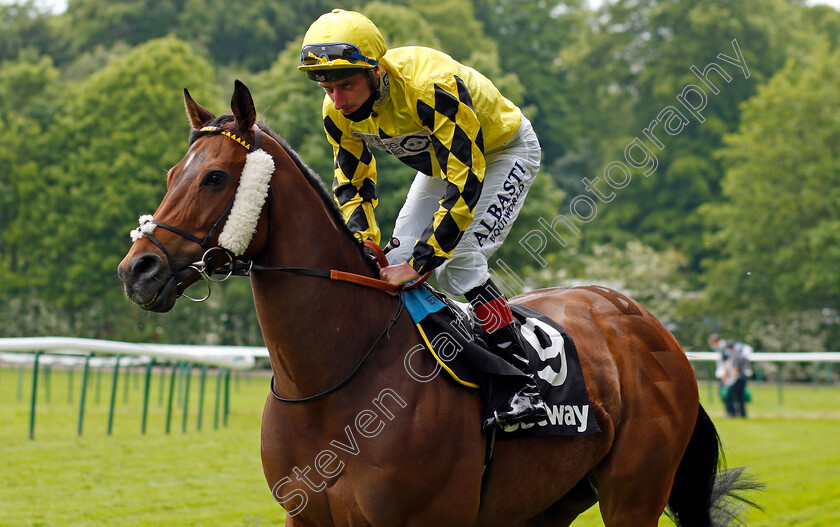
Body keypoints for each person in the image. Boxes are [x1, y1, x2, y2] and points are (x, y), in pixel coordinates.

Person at [299, 9, 547, 430]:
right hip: (442, 164)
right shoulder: (335, 112)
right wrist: (364, 240)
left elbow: (467, 177)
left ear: (376, 71)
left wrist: (423, 261)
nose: (337, 99)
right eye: (327, 86)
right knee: (392, 259)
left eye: (346, 85)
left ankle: (522, 381)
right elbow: (353, 182)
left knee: (457, 261)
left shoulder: (429, 86)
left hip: (502, 153)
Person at [709, 334, 752, 418]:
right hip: (743, 378)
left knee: (729, 396)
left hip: (737, 378)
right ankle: (742, 414)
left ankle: (731, 413)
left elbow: (735, 369)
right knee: (740, 397)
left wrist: (730, 379)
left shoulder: (734, 356)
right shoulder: (740, 355)